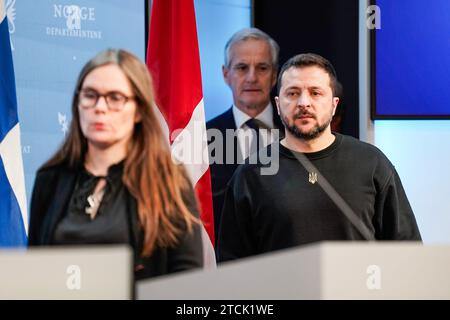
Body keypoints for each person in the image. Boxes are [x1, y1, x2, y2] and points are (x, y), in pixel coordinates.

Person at [217, 53, 421, 262]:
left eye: (315, 93)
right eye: (293, 93)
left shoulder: (372, 164)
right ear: (278, 105)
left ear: (334, 105)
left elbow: (407, 252)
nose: (304, 103)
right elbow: (232, 266)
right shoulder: (251, 174)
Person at [28, 49, 203, 279]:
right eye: (90, 95)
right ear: (77, 103)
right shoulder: (50, 178)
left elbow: (187, 280)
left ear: (139, 110)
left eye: (115, 98)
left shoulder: (168, 180)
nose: (100, 107)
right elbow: (35, 274)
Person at [206, 28, 283, 244]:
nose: (252, 77)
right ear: (225, 74)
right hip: (222, 266)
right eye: (242, 67)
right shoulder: (201, 139)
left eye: (262, 68)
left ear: (275, 75)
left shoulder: (297, 134)